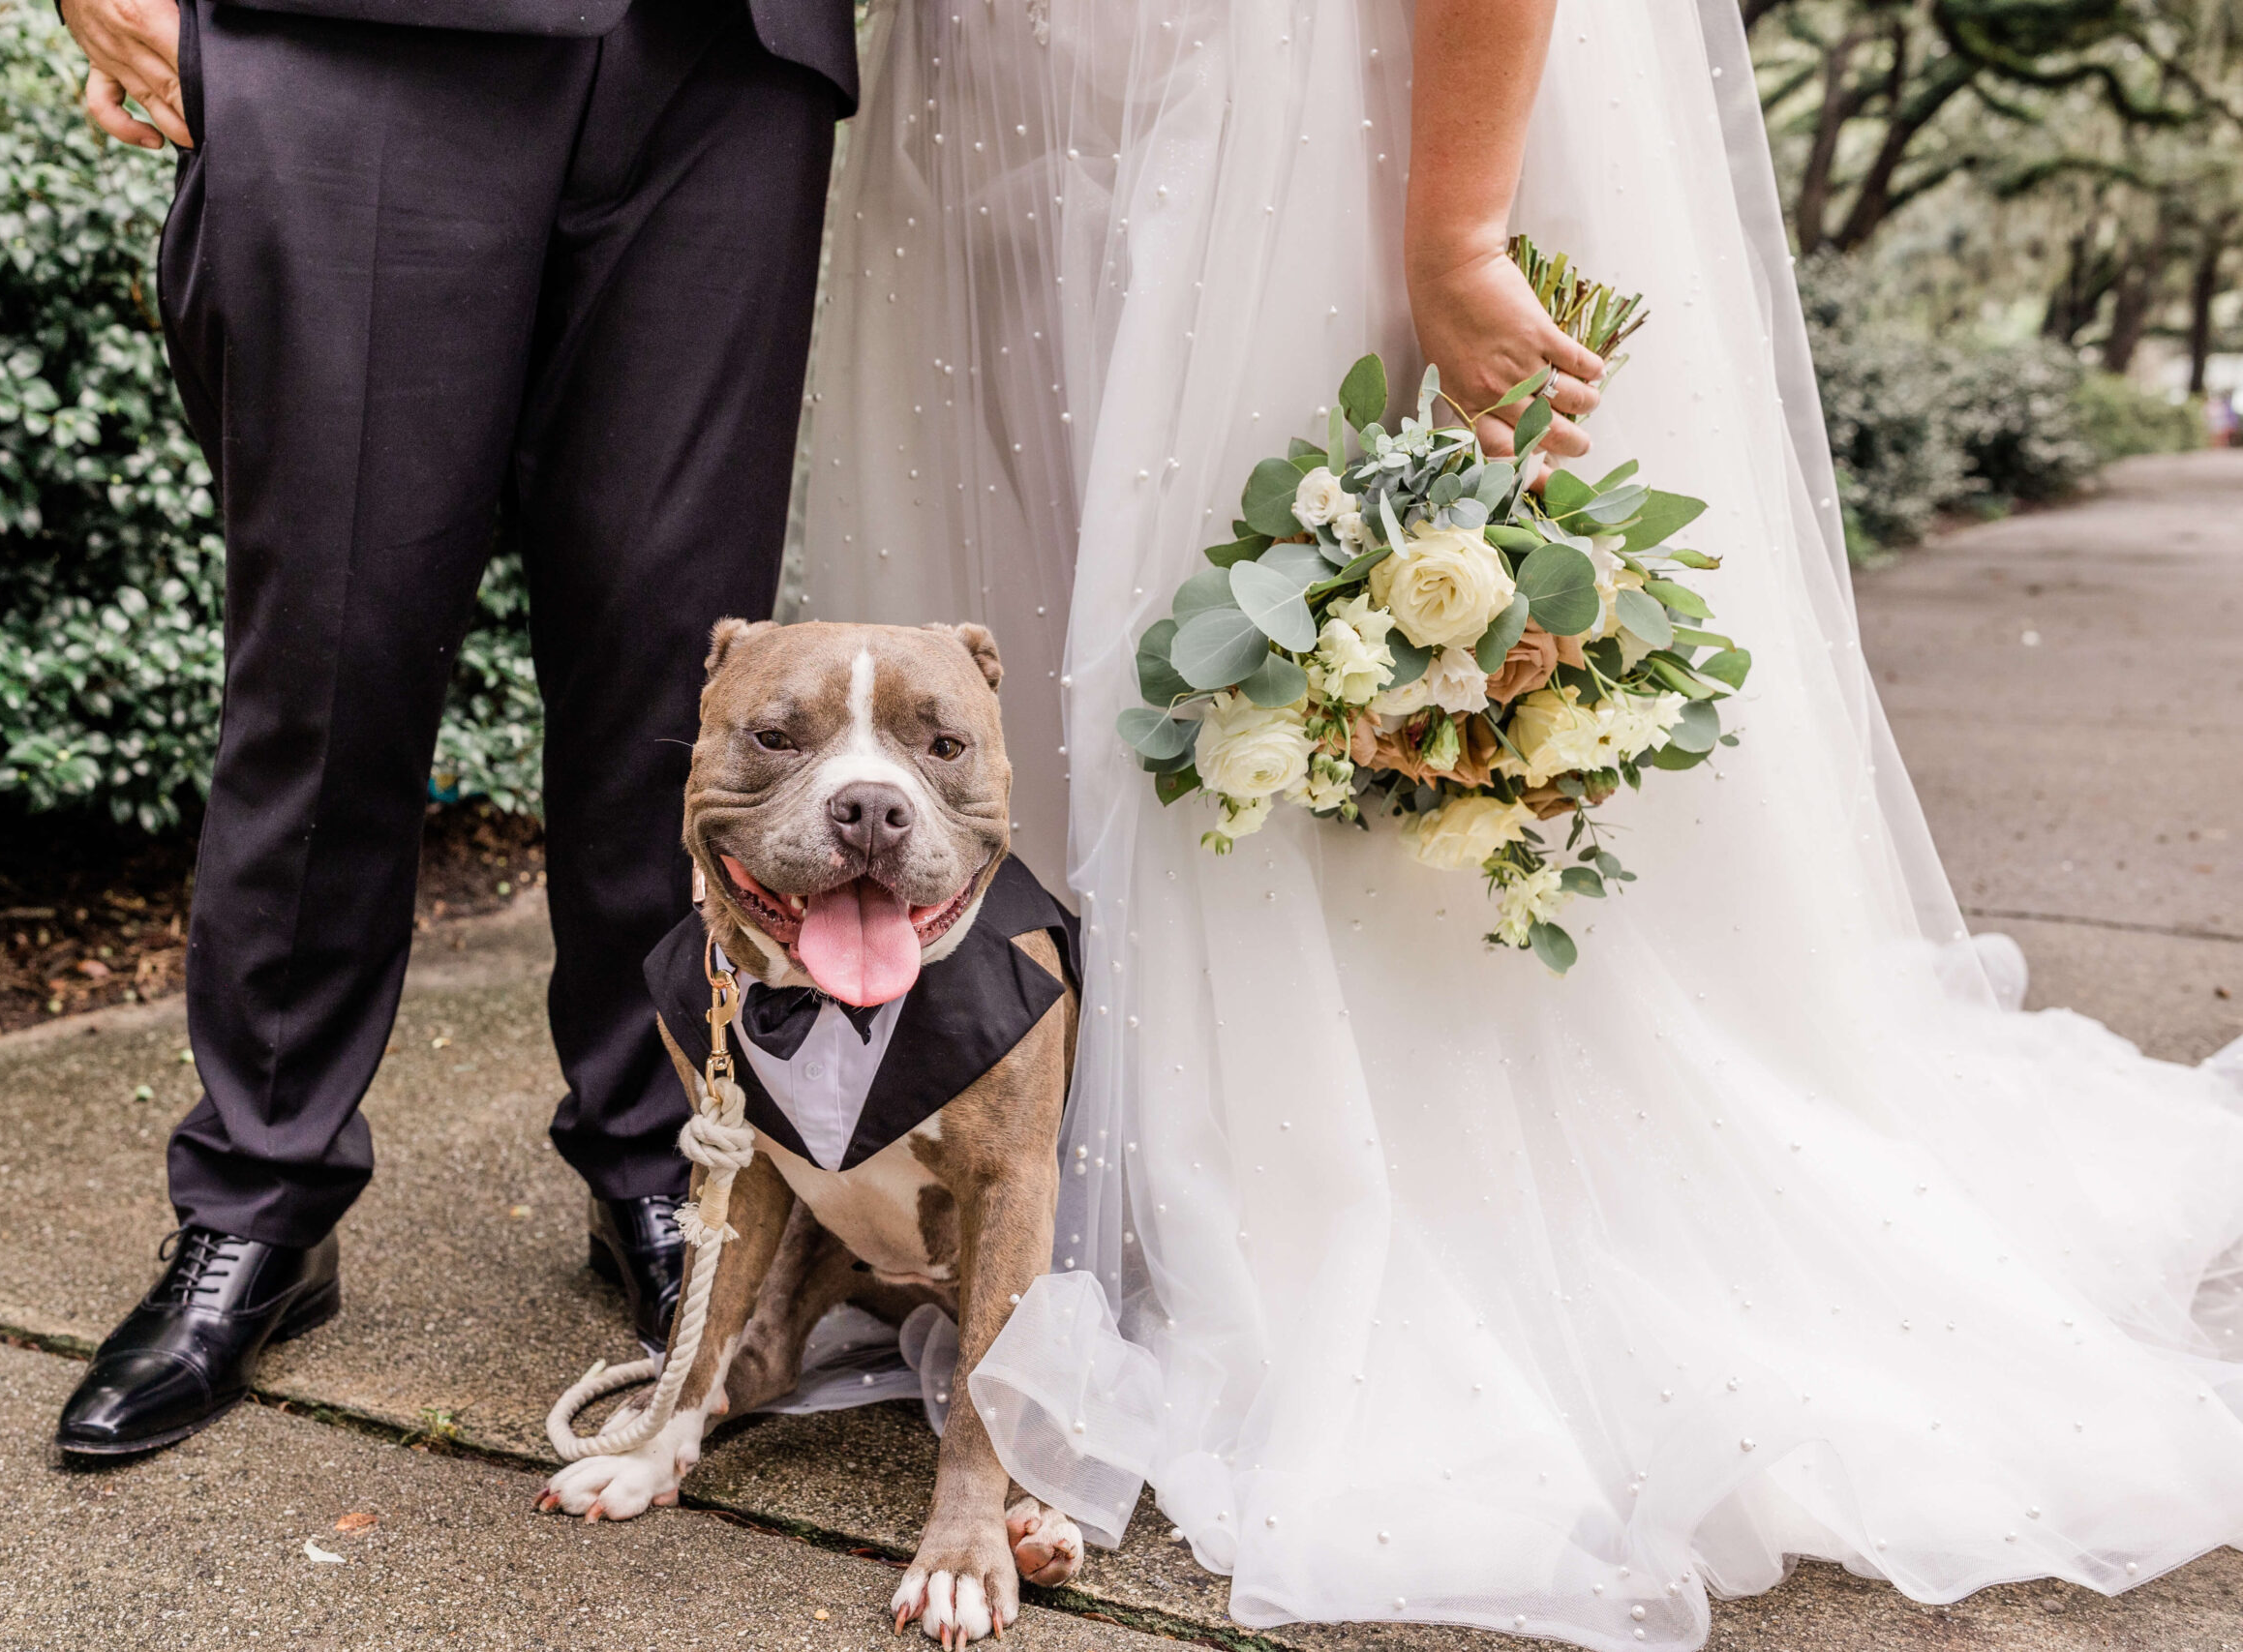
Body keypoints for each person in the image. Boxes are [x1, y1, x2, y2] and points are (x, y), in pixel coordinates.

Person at [794, 0, 2243, 1646]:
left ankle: (1253, 1202)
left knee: (1217, 652)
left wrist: (1460, 225)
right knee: (1047, 628)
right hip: (1002, 78)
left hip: (1279, 98)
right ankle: (1033, 1173)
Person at [50, 0, 857, 1457]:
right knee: (331, 654)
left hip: (726, 56)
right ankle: (259, 1197)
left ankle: (666, 1163)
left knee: (683, 672)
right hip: (348, 39)